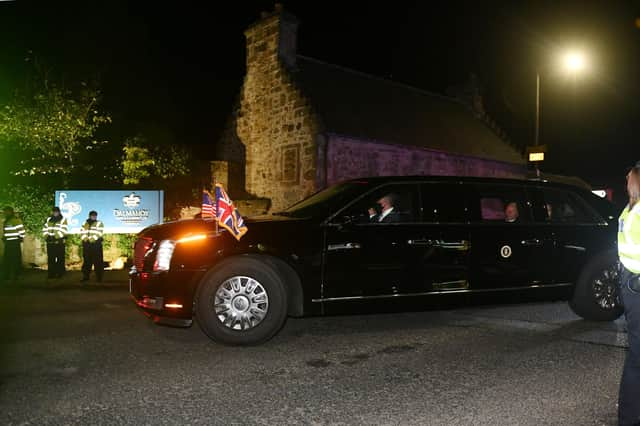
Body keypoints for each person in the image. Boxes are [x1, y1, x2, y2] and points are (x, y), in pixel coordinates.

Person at [617, 162, 640, 426]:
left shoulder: (629, 211)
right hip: (636, 288)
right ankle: (629, 417)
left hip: (631, 286)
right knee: (637, 358)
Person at [42, 206, 68, 278]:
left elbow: (63, 230)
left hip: (59, 242)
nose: (55, 213)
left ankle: (60, 273)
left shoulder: (63, 220)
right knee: (51, 259)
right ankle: (51, 273)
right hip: (50, 243)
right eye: (54, 211)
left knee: (60, 258)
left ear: (59, 212)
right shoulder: (48, 219)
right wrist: (47, 237)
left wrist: (55, 237)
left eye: (56, 211)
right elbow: (44, 229)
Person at [2, 206, 25, 282]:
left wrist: (20, 238)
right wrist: (4, 237)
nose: (5, 213)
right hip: (8, 242)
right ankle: (7, 275)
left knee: (15, 259)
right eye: (4, 212)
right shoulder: (7, 220)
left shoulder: (15, 220)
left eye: (6, 211)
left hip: (14, 242)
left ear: (10, 212)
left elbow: (22, 232)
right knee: (7, 259)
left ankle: (16, 275)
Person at [80, 210, 104, 283]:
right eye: (92, 215)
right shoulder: (84, 223)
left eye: (95, 216)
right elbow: (82, 232)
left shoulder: (99, 223)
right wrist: (85, 239)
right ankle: (86, 276)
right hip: (87, 246)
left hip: (96, 245)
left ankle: (99, 278)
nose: (94, 217)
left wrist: (91, 239)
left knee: (98, 262)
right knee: (87, 262)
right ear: (89, 216)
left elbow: (99, 233)